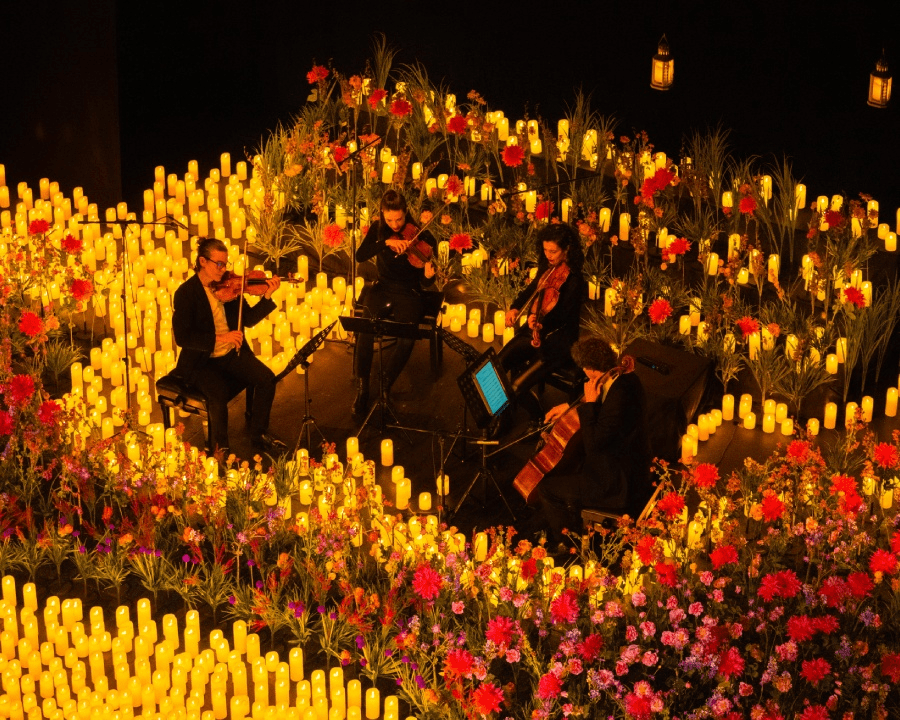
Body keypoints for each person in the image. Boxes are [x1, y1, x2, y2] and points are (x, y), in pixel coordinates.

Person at [532, 336, 652, 550]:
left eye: (585, 370)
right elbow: (602, 398)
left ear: (592, 370)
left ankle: (568, 543)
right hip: (625, 466)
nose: (585, 375)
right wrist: (572, 405)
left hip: (616, 483)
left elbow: (594, 445)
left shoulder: (620, 397)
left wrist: (589, 404)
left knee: (547, 488)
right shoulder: (623, 377)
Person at [172, 237, 284, 455]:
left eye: (226, 264)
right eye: (219, 264)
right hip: (202, 362)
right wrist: (220, 338)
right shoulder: (186, 293)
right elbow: (183, 338)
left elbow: (248, 319)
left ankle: (258, 434)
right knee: (218, 396)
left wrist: (267, 296)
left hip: (231, 354)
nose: (223, 270)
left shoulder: (230, 287)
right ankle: (220, 449)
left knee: (266, 379)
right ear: (203, 261)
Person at [352, 190, 436, 417]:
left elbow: (425, 283)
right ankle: (362, 388)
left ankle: (385, 383)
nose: (395, 224)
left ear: (406, 213)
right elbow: (361, 255)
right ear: (383, 215)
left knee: (407, 336)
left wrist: (428, 276)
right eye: (390, 219)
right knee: (365, 329)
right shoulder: (379, 230)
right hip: (383, 286)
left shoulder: (422, 236)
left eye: (399, 219)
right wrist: (385, 241)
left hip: (409, 292)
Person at [497, 222, 585, 422]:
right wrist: (515, 306)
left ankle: (537, 418)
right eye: (545, 250)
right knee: (498, 365)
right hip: (534, 329)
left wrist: (539, 320)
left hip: (557, 341)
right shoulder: (547, 266)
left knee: (517, 386)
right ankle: (510, 410)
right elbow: (533, 290)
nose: (548, 255)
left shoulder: (575, 281)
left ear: (567, 249)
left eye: (553, 251)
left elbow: (562, 316)